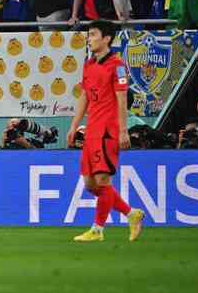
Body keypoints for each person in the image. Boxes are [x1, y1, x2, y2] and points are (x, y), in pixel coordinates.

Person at [67, 19, 145, 242]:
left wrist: (123, 131)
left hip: (108, 131)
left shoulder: (117, 65)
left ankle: (97, 230)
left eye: (92, 34)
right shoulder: (89, 64)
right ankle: (132, 214)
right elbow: (84, 95)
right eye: (88, 35)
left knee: (102, 180)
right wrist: (74, 125)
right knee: (91, 184)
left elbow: (121, 99)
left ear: (107, 38)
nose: (89, 39)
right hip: (92, 130)